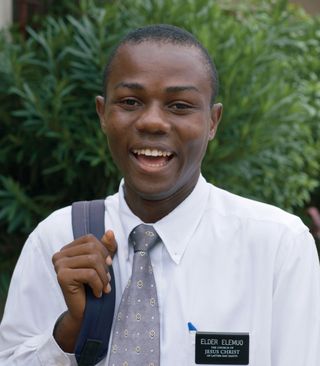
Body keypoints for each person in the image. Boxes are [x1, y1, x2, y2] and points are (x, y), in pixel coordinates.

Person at [0, 24, 319, 366]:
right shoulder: (56, 240)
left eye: (180, 105)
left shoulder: (277, 246)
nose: (152, 122)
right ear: (102, 114)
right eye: (130, 101)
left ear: (213, 121)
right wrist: (68, 332)